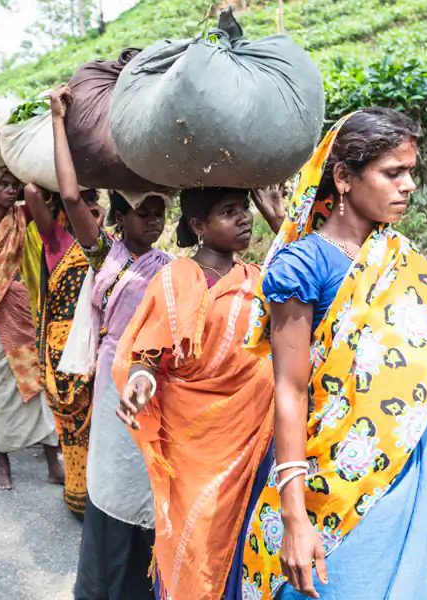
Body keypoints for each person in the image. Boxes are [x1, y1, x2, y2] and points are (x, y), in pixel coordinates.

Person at [237, 108, 427, 599]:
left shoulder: (398, 255)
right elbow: (288, 389)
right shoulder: (303, 265)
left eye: (410, 172)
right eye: (393, 173)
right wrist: (294, 513)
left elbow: (421, 370)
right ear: (345, 178)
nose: (408, 185)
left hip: (416, 459)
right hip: (335, 476)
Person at [115, 185, 280, 600]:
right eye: (229, 211)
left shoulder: (259, 277)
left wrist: (277, 216)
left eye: (245, 209)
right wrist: (139, 385)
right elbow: (148, 355)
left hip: (252, 439)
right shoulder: (176, 279)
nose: (244, 218)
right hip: (192, 445)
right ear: (198, 226)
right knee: (195, 543)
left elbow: (313, 297)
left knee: (244, 539)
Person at [47, 84, 174, 599]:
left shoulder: (175, 269)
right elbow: (73, 195)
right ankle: (101, 585)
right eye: (143, 212)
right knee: (113, 480)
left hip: (153, 383)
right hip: (111, 382)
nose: (153, 221)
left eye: (159, 212)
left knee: (147, 481)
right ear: (119, 216)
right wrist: (58, 119)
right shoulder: (106, 256)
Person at [0, 168, 63, 490]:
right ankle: (3, 461)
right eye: (3, 184)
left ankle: (51, 461)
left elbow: (40, 193)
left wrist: (21, 166)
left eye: (13, 185)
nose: (9, 189)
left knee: (33, 384)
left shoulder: (22, 216)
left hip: (18, 311)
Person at [23, 180, 104, 516]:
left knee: (99, 424)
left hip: (97, 344)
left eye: (93, 198)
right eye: (80, 201)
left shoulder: (110, 246)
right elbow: (29, 190)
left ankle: (100, 498)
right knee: (72, 427)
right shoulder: (57, 239)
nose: (88, 205)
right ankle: (77, 495)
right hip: (64, 348)